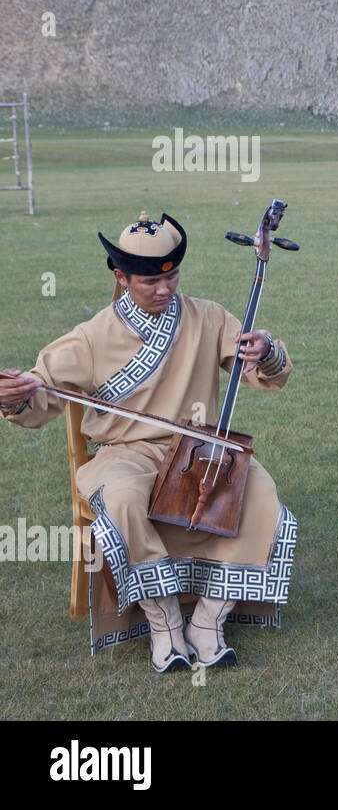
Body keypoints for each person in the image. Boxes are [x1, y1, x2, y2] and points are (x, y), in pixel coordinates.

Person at [0, 212, 295, 670]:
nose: (164, 289)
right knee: (122, 498)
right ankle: (166, 624)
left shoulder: (208, 316)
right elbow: (42, 393)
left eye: (172, 276)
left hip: (197, 450)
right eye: (147, 281)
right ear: (120, 277)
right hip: (125, 455)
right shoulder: (92, 336)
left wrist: (266, 351)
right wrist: (16, 395)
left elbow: (261, 372)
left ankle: (208, 620)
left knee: (260, 493)